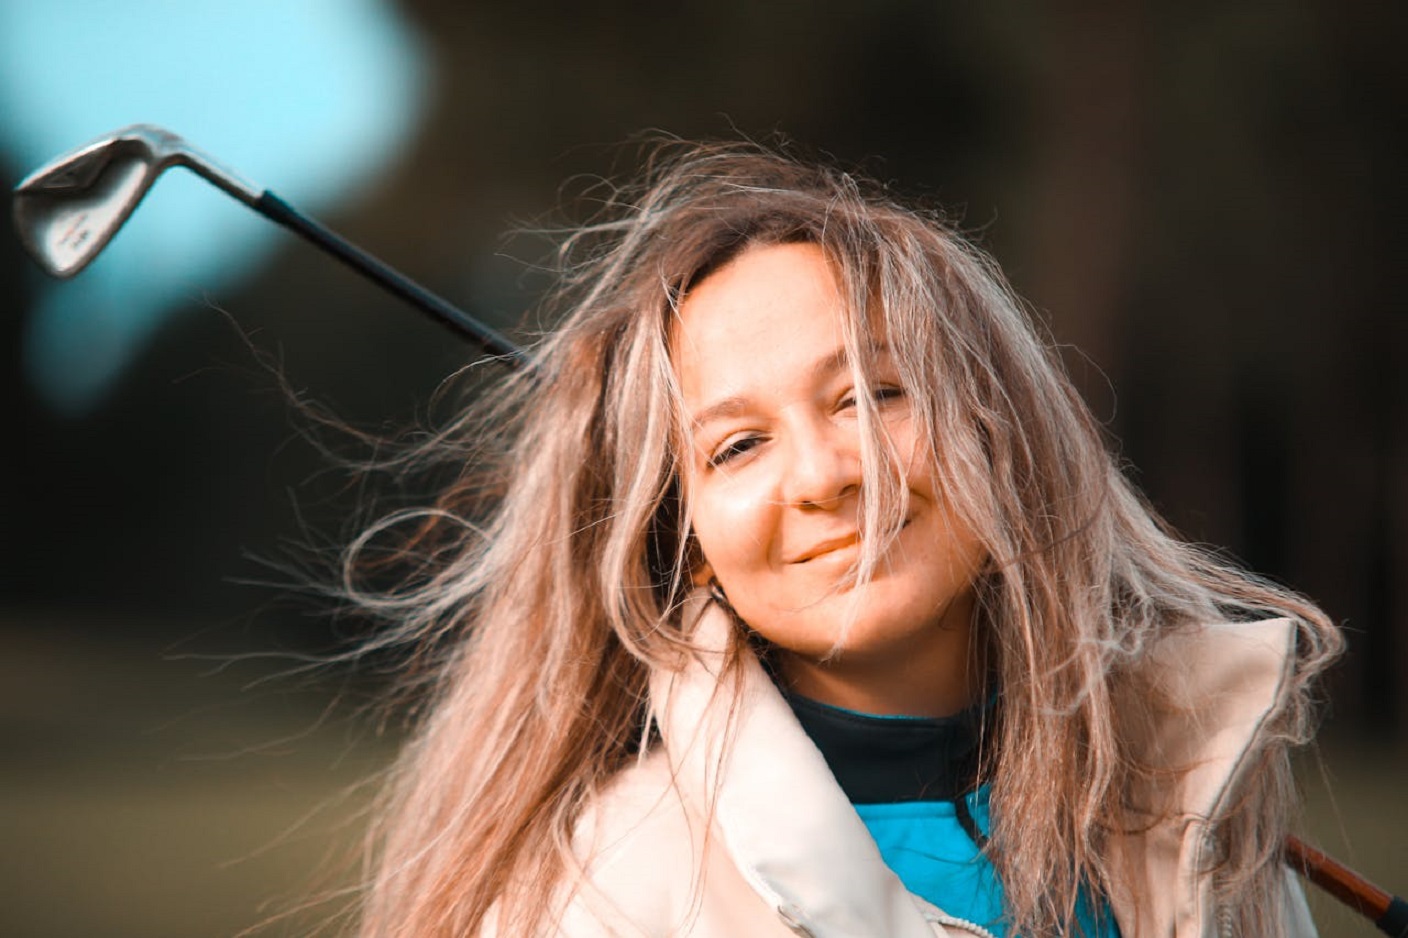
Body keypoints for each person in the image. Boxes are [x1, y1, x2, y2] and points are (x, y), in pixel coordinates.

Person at [349, 141, 1342, 937]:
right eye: (736, 445)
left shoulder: (1193, 784)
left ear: (992, 428)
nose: (827, 473)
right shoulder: (603, 891)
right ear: (683, 538)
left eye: (871, 393)